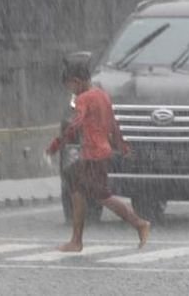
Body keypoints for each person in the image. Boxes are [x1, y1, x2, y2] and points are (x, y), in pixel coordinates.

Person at [46, 56, 151, 253]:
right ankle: (76, 239)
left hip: (93, 154)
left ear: (76, 82)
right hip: (101, 153)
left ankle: (139, 223)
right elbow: (113, 124)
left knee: (102, 196)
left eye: (69, 86)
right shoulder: (102, 95)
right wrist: (123, 146)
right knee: (75, 181)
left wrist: (56, 144)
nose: (70, 91)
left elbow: (74, 125)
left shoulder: (83, 98)